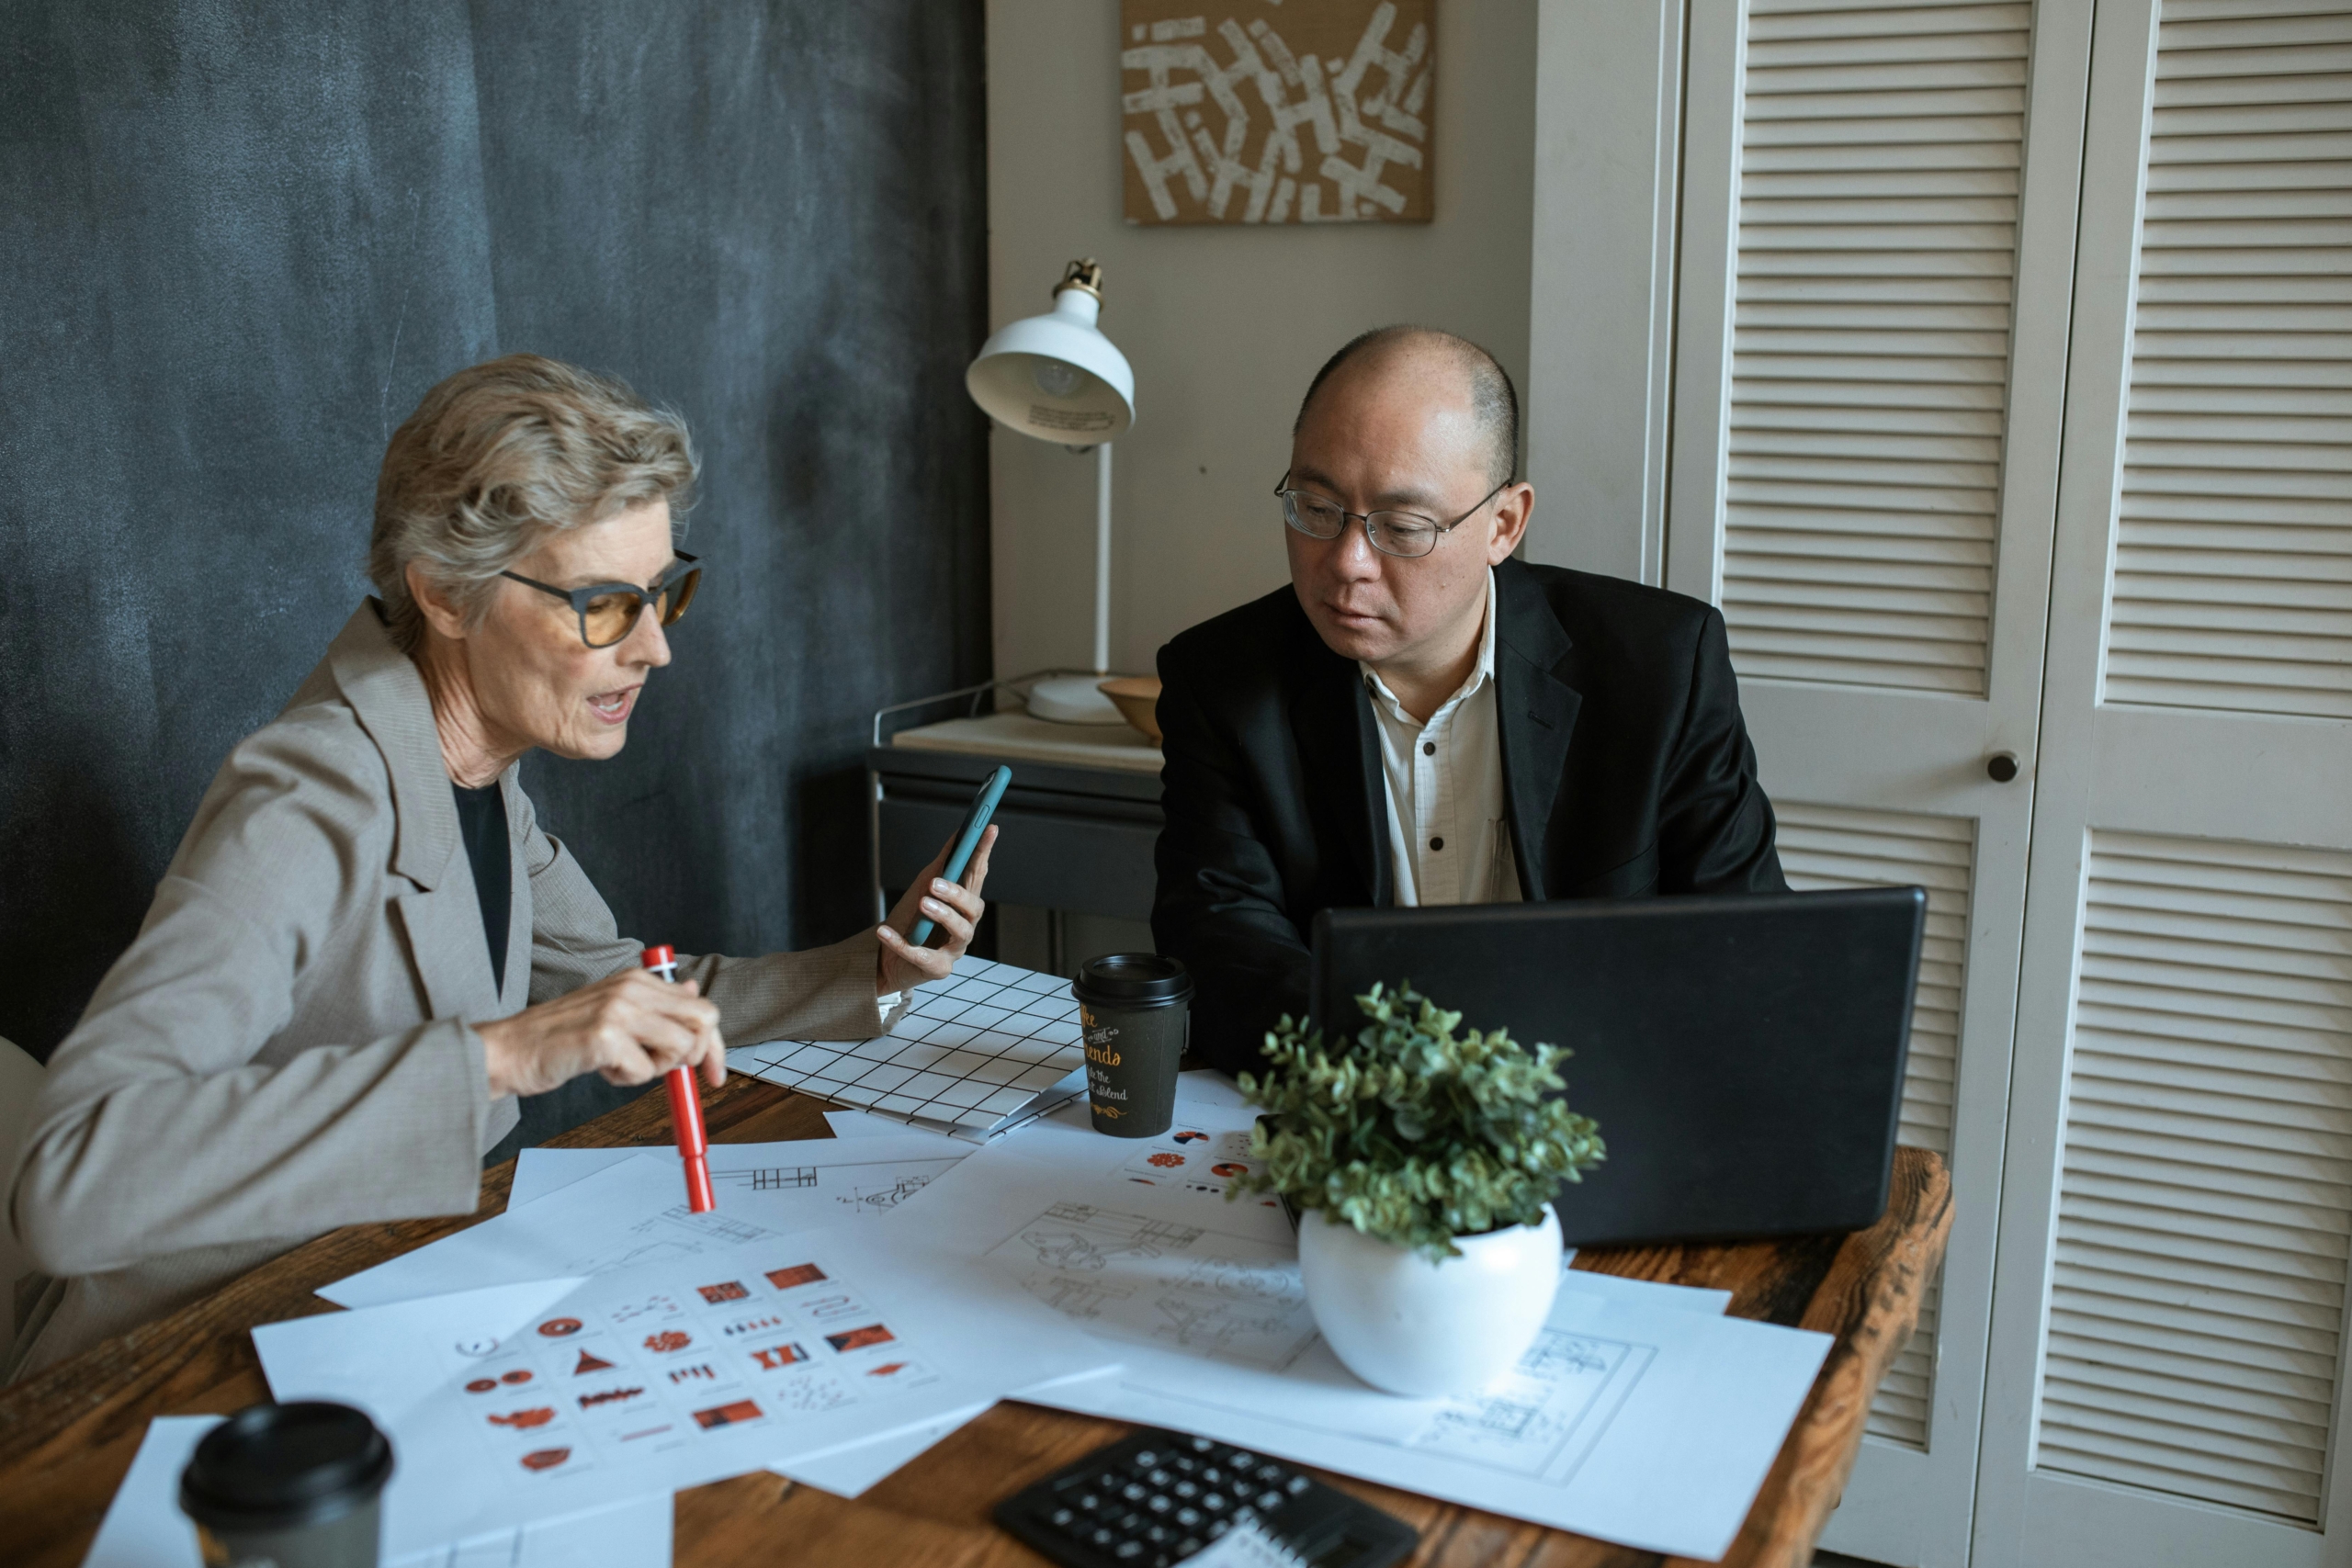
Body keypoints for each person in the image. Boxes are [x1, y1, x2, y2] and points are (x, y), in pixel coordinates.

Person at [6, 355, 992, 1378]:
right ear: (443, 592)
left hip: (351, 1303)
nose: (654, 649)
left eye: (660, 595)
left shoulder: (476, 774)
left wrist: (873, 968)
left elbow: (634, 991)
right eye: (602, 603)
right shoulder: (309, 797)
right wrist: (506, 1053)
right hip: (160, 1367)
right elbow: (70, 1183)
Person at [1153, 327, 1784, 1076]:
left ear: (1503, 525)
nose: (1348, 562)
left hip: (1596, 1097)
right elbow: (1222, 940)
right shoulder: (1221, 678)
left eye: (1402, 527)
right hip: (1353, 1099)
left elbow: (1748, 948)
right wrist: (1420, 1078)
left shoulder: (1661, 668)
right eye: (1316, 507)